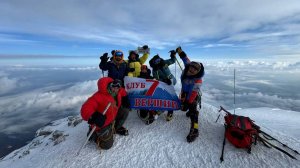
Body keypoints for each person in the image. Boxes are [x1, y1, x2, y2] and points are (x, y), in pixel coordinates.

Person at [80, 77, 130, 150]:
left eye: (118, 87)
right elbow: (85, 108)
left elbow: (122, 91)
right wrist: (93, 116)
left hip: (112, 116)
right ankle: (93, 134)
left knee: (125, 110)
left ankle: (115, 128)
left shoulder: (118, 91)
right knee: (107, 145)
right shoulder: (98, 96)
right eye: (114, 86)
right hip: (102, 122)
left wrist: (125, 97)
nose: (116, 89)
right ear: (109, 86)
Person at [176, 47, 205, 143]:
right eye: (191, 68)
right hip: (184, 91)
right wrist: (180, 52)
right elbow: (185, 59)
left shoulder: (198, 80)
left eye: (194, 70)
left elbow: (194, 93)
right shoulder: (188, 66)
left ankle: (195, 129)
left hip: (192, 95)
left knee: (193, 111)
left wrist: (189, 101)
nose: (191, 70)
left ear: (197, 72)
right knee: (183, 108)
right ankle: (189, 110)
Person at [149, 52, 177, 121]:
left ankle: (170, 111)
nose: (158, 62)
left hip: (171, 80)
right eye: (156, 61)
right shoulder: (155, 70)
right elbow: (157, 78)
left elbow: (173, 60)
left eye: (158, 60)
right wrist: (164, 80)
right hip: (163, 83)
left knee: (170, 96)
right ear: (154, 62)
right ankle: (162, 109)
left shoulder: (164, 62)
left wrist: (173, 55)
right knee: (165, 96)